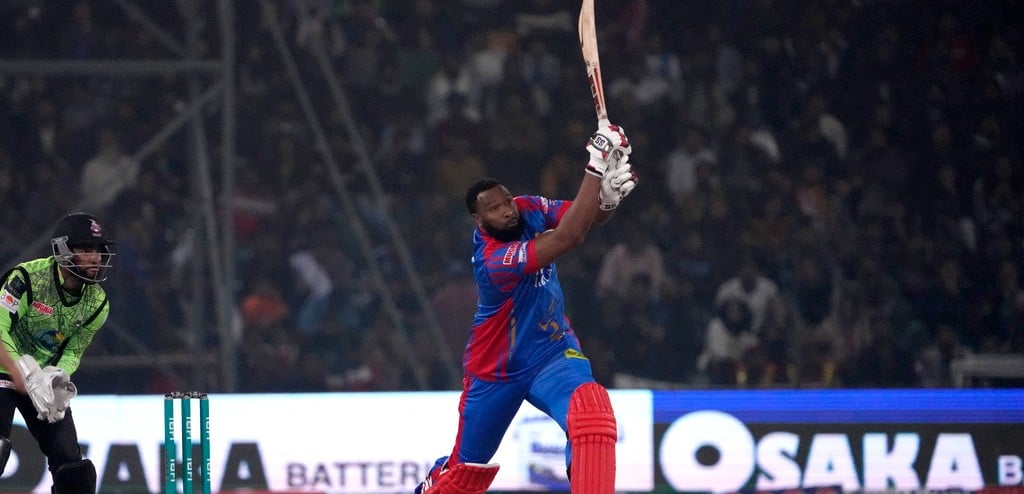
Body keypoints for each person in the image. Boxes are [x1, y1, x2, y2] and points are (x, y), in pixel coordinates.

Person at [416, 123, 637, 494]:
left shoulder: (527, 208)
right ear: (478, 220)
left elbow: (582, 219)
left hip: (552, 353)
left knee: (592, 414)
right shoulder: (492, 261)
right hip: (495, 372)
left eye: (506, 201)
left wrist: (606, 201)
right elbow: (570, 236)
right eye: (495, 209)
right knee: (463, 474)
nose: (507, 211)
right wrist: (595, 168)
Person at [0, 212, 114, 494]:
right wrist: (19, 373)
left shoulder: (97, 304)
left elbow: (74, 350)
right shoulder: (26, 278)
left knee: (73, 470)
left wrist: (56, 375)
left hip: (39, 380)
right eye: (86, 249)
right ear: (63, 250)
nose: (95, 258)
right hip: (4, 367)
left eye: (98, 251)